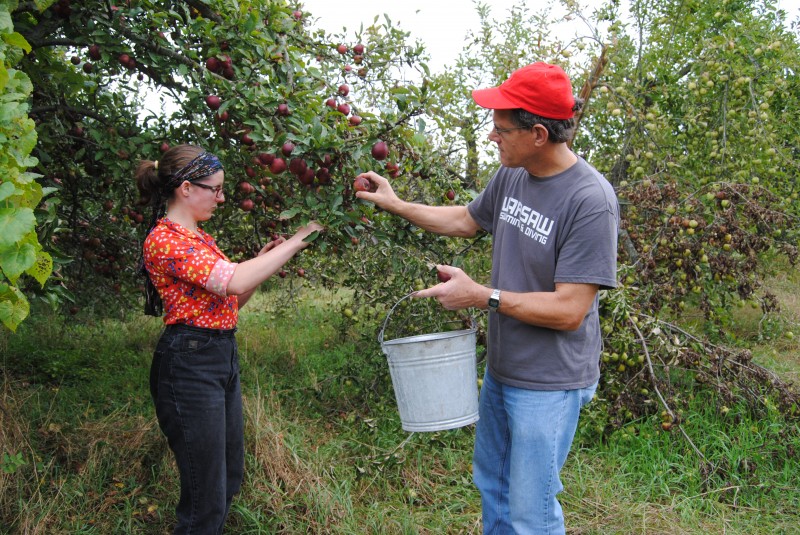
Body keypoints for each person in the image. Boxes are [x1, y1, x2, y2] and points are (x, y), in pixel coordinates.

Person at [356, 62, 619, 534]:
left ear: (538, 133)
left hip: (549, 381)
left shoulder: (589, 201)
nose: (492, 137)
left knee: (530, 511)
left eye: (500, 129)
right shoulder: (514, 175)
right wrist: (396, 204)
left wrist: (482, 296)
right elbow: (465, 220)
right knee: (494, 488)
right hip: (503, 370)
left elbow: (570, 310)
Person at [135, 144, 322, 534]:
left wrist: (261, 262)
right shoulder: (165, 239)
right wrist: (297, 241)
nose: (222, 197)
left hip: (219, 354)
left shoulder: (198, 237)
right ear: (186, 188)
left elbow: (231, 297)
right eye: (215, 189)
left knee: (228, 474)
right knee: (205, 493)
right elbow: (233, 278)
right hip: (189, 363)